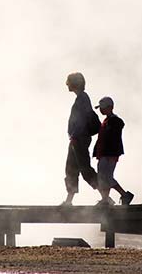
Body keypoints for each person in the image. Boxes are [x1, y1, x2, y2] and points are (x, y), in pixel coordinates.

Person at [61, 72, 100, 206]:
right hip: (76, 139)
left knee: (85, 169)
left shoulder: (82, 98)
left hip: (79, 139)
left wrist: (76, 135)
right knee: (71, 169)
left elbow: (82, 120)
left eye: (69, 82)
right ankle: (69, 200)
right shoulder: (81, 98)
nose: (67, 85)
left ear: (74, 83)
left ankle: (106, 197)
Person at [93, 97, 134, 206]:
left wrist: (112, 152)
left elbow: (118, 129)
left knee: (106, 177)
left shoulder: (115, 121)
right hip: (104, 154)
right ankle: (106, 199)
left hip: (109, 154)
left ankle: (123, 195)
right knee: (103, 177)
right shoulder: (107, 121)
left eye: (103, 108)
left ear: (110, 108)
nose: (101, 110)